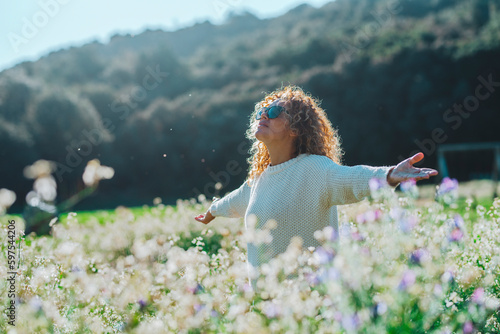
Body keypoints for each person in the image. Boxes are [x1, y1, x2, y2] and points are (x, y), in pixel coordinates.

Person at [194, 85, 438, 288]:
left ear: (296, 130)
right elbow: (235, 200)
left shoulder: (314, 168)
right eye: (262, 111)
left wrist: (390, 175)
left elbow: (352, 178)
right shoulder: (258, 179)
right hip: (268, 312)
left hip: (311, 309)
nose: (264, 115)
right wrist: (211, 212)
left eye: (275, 110)